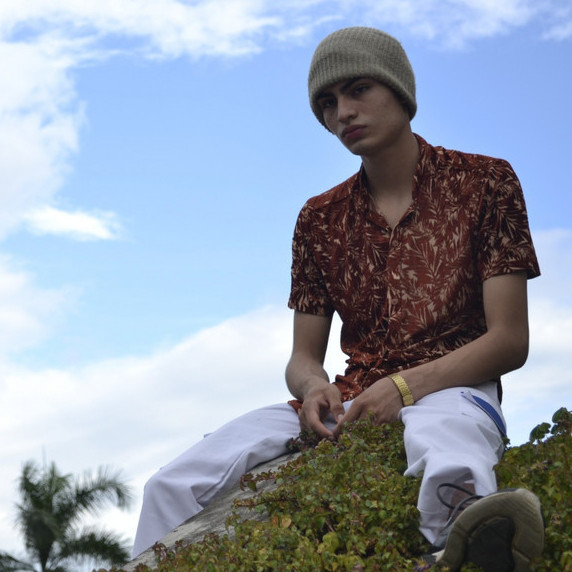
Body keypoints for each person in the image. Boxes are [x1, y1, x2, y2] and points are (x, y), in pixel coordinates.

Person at [132, 27, 545, 569]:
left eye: (358, 90)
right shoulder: (318, 218)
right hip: (349, 398)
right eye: (327, 103)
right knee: (171, 484)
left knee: (450, 451)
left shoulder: (486, 182)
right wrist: (313, 389)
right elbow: (302, 359)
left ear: (400, 91)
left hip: (455, 388)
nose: (342, 112)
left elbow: (509, 340)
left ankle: (464, 551)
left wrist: (402, 388)